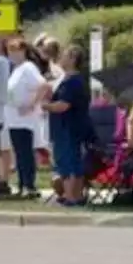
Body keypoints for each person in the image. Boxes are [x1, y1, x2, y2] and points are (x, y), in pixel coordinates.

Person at [43, 45, 93, 206]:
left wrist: (46, 105)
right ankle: (75, 196)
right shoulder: (74, 80)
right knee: (73, 162)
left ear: (72, 59)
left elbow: (63, 105)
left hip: (68, 128)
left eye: (65, 56)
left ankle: (71, 196)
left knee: (67, 163)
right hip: (70, 128)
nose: (61, 59)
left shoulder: (72, 82)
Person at [4, 37, 45, 198]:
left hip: (24, 119)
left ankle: (29, 185)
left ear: (23, 51)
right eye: (10, 52)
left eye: (15, 51)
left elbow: (42, 85)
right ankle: (22, 184)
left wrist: (32, 104)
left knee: (25, 152)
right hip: (14, 118)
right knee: (19, 153)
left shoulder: (28, 67)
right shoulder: (16, 69)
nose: (12, 55)